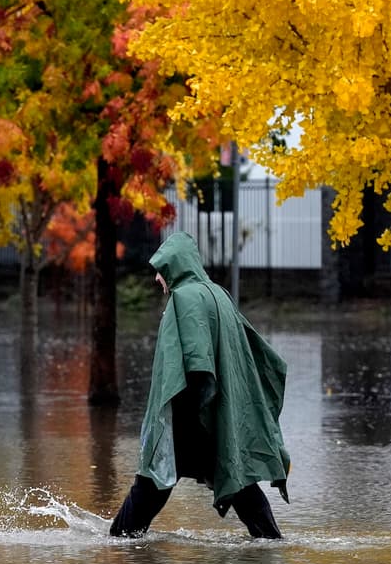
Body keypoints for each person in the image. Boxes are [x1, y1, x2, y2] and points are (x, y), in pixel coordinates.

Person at [109, 231, 291, 539]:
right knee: (236, 477)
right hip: (219, 409)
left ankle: (118, 544)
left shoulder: (184, 299)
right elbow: (249, 350)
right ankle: (271, 542)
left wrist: (188, 413)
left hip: (191, 409)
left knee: (153, 477)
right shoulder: (219, 293)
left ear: (176, 266)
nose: (157, 278)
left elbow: (195, 359)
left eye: (161, 268)